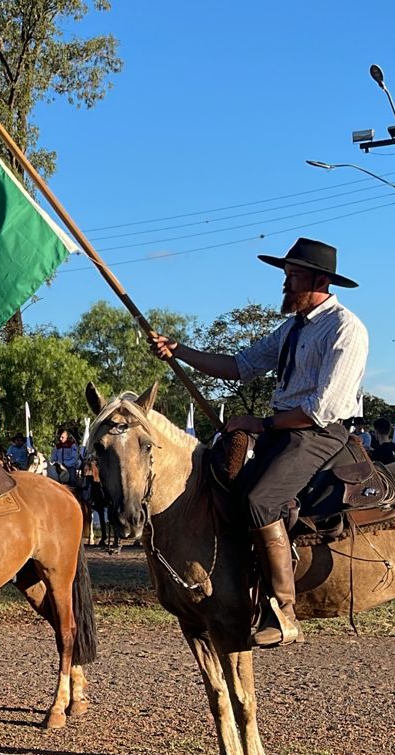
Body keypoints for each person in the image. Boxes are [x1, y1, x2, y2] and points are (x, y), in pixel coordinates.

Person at [150, 237, 367, 648]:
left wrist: (262, 424)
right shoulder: (291, 329)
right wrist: (180, 352)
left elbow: (323, 408)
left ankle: (282, 610)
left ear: (320, 280)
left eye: (293, 277)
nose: (285, 286)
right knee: (218, 475)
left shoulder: (345, 329)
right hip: (286, 428)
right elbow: (240, 366)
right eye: (285, 277)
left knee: (260, 500)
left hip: (318, 433)